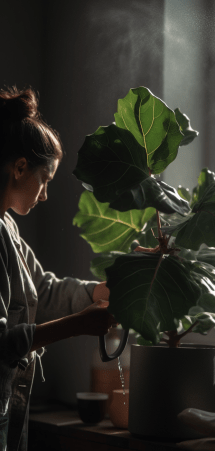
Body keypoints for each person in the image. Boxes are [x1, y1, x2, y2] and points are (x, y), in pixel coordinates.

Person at [0, 86, 116, 451]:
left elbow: (43, 289)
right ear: (20, 168)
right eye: (45, 180)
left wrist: (99, 292)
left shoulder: (7, 228)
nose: (45, 194)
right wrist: (79, 325)